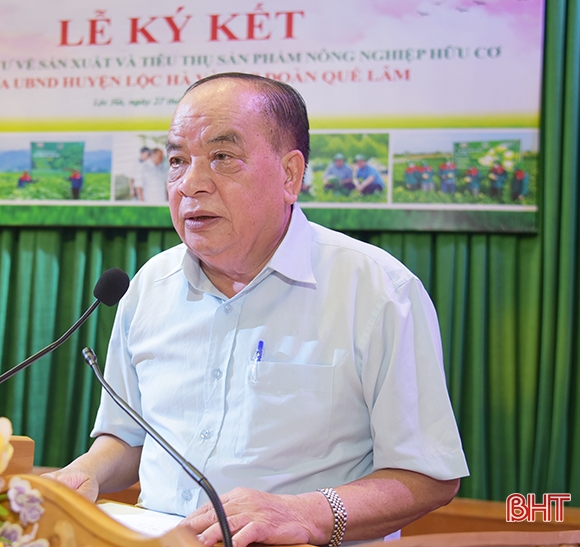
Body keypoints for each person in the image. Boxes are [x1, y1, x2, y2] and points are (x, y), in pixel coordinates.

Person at [44, 73, 467, 547]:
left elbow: (428, 475)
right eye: (178, 161)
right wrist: (81, 476)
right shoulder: (148, 287)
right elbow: (125, 440)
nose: (191, 185)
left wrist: (304, 514)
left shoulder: (377, 291)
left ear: (289, 175)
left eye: (222, 157)